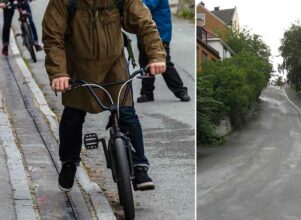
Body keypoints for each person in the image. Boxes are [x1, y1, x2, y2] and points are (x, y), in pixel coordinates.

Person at [42, 0, 166, 192]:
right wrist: (59, 73)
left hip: (114, 65)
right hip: (78, 67)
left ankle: (140, 166)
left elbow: (145, 23)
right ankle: (69, 162)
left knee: (126, 113)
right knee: (73, 117)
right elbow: (52, 37)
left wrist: (156, 56)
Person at [137, 0, 190, 103]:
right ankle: (146, 93)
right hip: (144, 35)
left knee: (164, 64)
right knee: (145, 64)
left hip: (159, 34)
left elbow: (146, 7)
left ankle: (181, 91)